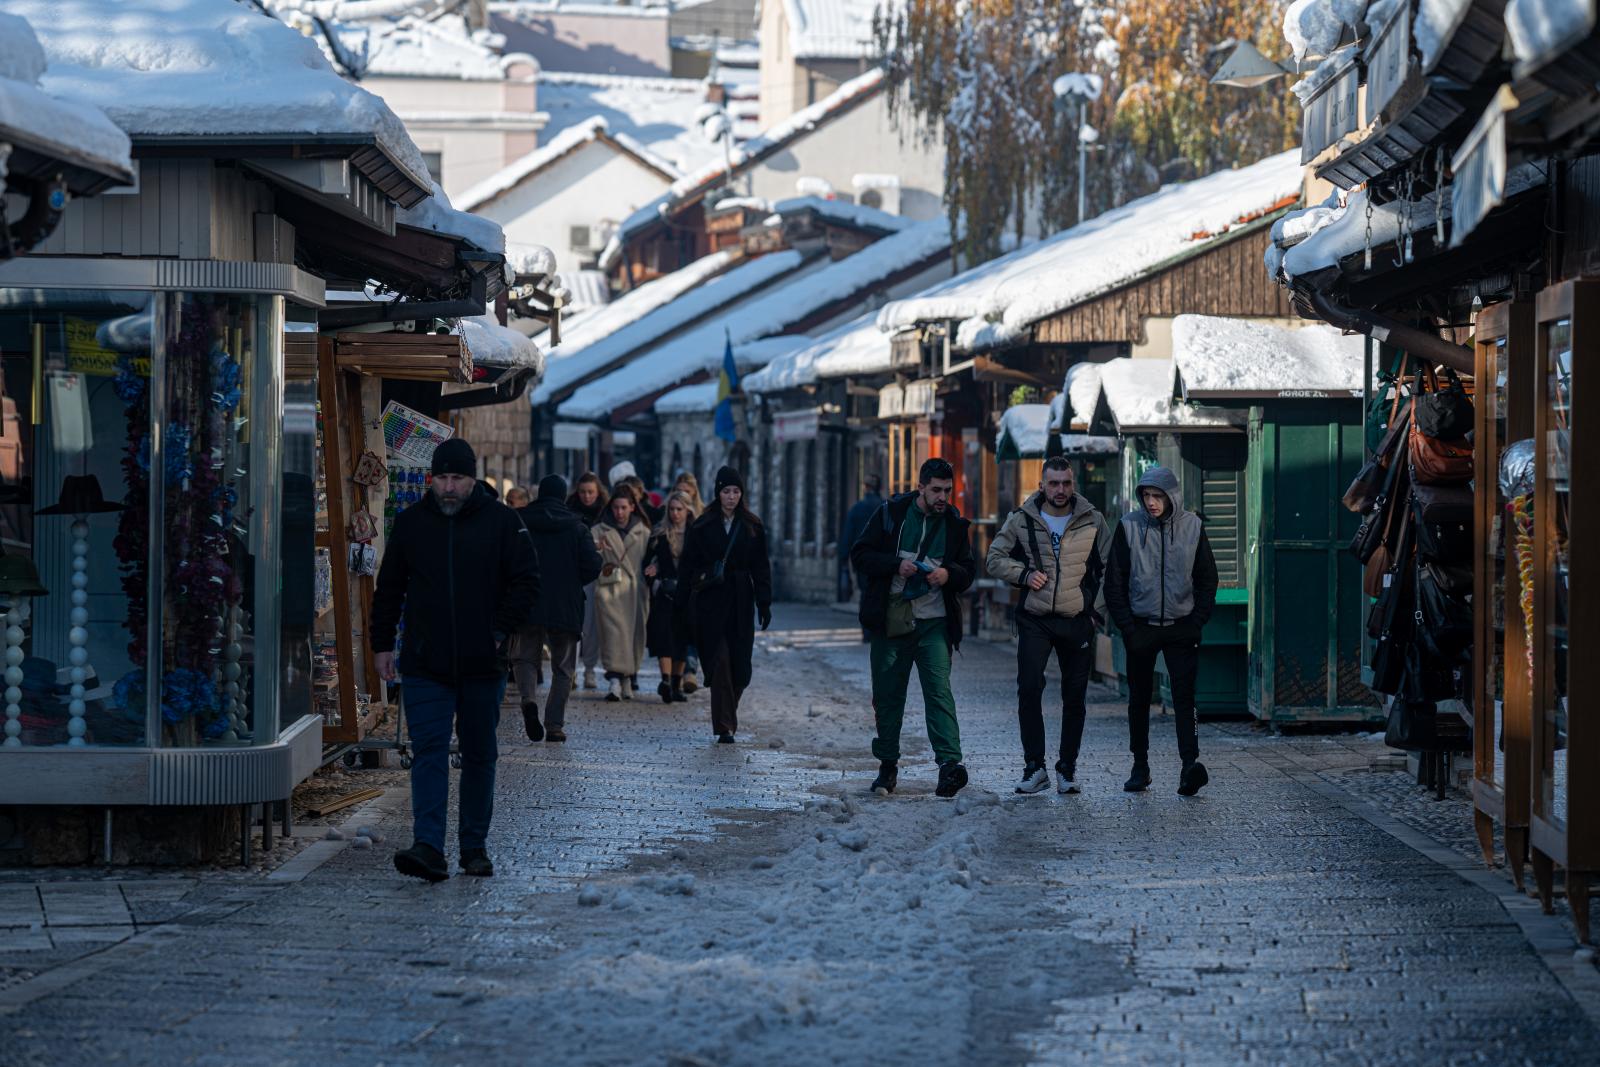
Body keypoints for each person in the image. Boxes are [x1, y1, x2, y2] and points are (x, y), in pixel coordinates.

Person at [370, 437, 537, 881]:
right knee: (428, 752)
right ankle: (427, 845)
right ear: (431, 479)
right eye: (441, 478)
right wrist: (382, 645)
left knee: (480, 754)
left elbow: (527, 582)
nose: (448, 487)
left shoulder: (503, 523)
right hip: (426, 662)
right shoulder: (411, 525)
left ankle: (474, 847)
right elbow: (389, 590)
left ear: (471, 479)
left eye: (457, 478)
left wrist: (497, 630)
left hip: (483, 663)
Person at [850, 458, 975, 799]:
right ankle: (887, 765)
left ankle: (950, 766)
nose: (942, 497)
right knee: (889, 697)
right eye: (936, 490)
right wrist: (896, 565)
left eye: (947, 490)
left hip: (934, 622)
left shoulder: (954, 524)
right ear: (920, 487)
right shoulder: (891, 514)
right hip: (892, 622)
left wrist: (948, 575)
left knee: (939, 692)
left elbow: (968, 570)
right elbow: (859, 554)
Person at [987, 457, 1111, 795]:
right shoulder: (1022, 518)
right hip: (1035, 619)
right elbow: (993, 559)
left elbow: (1110, 569)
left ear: (1073, 484)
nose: (1060, 490)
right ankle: (1034, 767)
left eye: (1066, 483)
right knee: (1029, 688)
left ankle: (1066, 768)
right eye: (1053, 483)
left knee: (1075, 697)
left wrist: (1095, 612)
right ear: (1042, 484)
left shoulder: (1092, 520)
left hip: (1076, 620)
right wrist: (1024, 575)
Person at [1102, 465, 1218, 797]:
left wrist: (1196, 622)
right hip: (1142, 626)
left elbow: (1208, 579)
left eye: (1158, 496)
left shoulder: (1193, 527)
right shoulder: (1128, 527)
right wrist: (1127, 627)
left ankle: (1189, 767)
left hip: (1182, 627)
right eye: (1146, 496)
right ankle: (1140, 766)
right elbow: (1114, 584)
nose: (1151, 502)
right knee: (1139, 699)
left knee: (1185, 698)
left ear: (1172, 496)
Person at [679, 467, 771, 743]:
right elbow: (687, 566)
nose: (731, 497)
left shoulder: (752, 526)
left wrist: (764, 603)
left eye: (735, 491)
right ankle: (725, 726)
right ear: (717, 493)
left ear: (741, 494)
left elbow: (761, 567)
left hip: (742, 601)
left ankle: (727, 714)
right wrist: (682, 603)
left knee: (740, 668)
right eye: (726, 491)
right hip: (712, 602)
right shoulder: (702, 525)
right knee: (719, 663)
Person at [512, 474, 603, 743]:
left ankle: (528, 700)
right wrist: (573, 581)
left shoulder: (521, 520)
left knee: (525, 658)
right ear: (564, 495)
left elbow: (506, 558)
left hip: (528, 602)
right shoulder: (576, 526)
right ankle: (554, 724)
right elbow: (592, 565)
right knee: (564, 667)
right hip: (565, 605)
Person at [594, 488, 651, 701]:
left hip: (635, 591)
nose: (619, 512)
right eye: (616, 507)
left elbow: (652, 557)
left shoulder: (643, 532)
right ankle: (614, 679)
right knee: (612, 636)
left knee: (633, 635)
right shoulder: (599, 530)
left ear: (632, 508)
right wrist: (597, 549)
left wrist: (653, 569)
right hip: (609, 589)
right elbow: (589, 556)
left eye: (624, 507)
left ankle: (628, 677)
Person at [644, 490, 698, 702]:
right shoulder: (659, 534)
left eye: (679, 509)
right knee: (664, 636)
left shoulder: (696, 535)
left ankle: (676, 683)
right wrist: (651, 570)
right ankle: (665, 681)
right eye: (672, 509)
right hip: (664, 592)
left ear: (687, 510)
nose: (675, 513)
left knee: (683, 638)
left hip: (687, 593)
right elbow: (647, 560)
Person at [568, 472, 608, 690]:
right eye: (583, 492)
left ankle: (590, 669)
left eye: (590, 492)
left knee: (592, 625)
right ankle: (571, 669)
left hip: (597, 574)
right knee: (575, 624)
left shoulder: (606, 513)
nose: (586, 496)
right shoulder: (569, 510)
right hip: (574, 573)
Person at [839, 472, 884, 614]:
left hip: (863, 558)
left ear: (866, 487)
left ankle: (867, 630)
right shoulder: (886, 507)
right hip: (882, 557)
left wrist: (844, 557)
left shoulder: (857, 508)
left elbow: (848, 536)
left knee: (865, 592)